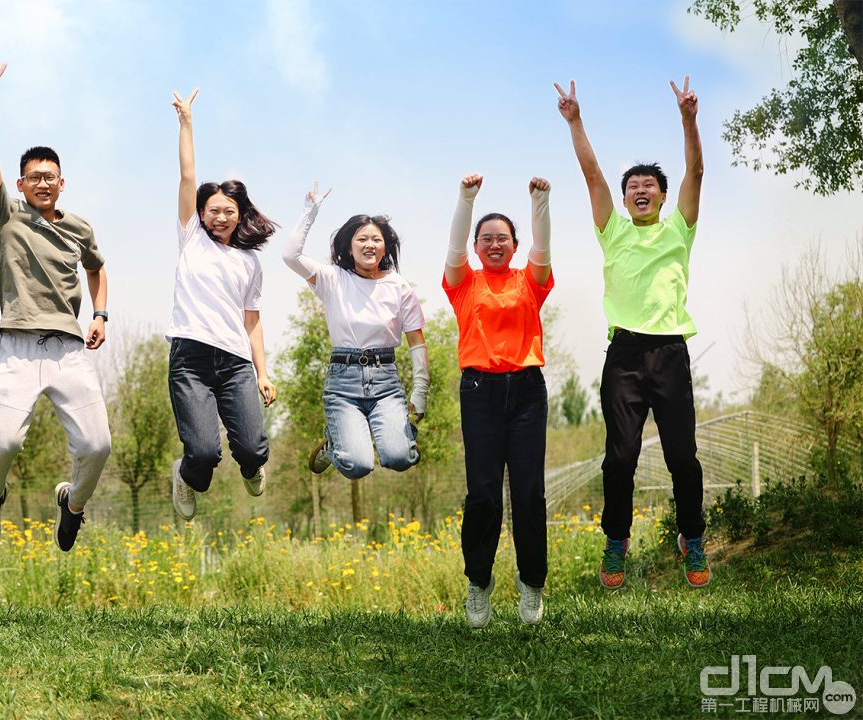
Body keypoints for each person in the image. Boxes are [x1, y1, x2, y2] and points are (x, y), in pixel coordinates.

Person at [555, 77, 710, 589]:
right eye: (633, 187)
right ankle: (616, 542)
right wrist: (575, 121)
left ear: (663, 197)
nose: (640, 191)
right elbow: (591, 173)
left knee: (681, 457)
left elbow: (697, 170)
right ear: (624, 199)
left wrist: (688, 118)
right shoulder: (613, 230)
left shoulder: (679, 228)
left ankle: (692, 538)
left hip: (669, 352)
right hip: (623, 355)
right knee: (620, 457)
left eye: (649, 186)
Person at [0, 61, 111, 553]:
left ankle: (71, 506)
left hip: (70, 349)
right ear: (22, 184)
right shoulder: (5, 215)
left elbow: (97, 268)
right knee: (2, 443)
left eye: (50, 177)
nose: (43, 184)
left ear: (62, 182)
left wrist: (99, 314)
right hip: (18, 349)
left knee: (98, 446)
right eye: (34, 178)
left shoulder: (79, 228)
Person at [444, 174, 554, 628]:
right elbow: (452, 250)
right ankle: (479, 582)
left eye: (502, 239)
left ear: (513, 245)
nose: (494, 244)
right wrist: (467, 199)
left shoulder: (532, 281)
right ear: (475, 245)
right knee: (484, 495)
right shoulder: (462, 283)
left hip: (527, 392)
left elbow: (543, 249)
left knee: (528, 493)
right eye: (485, 238)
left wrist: (541, 203)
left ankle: (531, 583)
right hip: (480, 394)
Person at [168, 89, 277, 521]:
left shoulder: (250, 262)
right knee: (204, 453)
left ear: (239, 213)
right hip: (190, 358)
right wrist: (186, 123)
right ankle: (186, 476)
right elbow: (187, 175)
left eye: (228, 211)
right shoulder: (190, 237)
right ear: (201, 214)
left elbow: (253, 322)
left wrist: (263, 373)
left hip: (234, 363)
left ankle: (252, 466)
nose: (219, 217)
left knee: (253, 448)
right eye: (212, 210)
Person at [283, 183, 428, 481]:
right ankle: (337, 442)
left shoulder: (399, 286)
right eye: (362, 239)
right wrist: (311, 211)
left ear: (385, 247)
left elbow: (416, 341)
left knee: (401, 457)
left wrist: (421, 389)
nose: (369, 244)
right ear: (349, 247)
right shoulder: (332, 278)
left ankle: (381, 438)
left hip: (386, 380)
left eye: (376, 239)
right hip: (343, 380)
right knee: (358, 466)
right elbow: (290, 256)